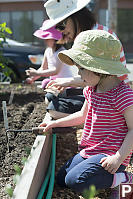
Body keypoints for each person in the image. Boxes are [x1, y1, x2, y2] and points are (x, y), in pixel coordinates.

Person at [39, 30, 133, 198]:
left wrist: (118, 158)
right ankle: (108, 178)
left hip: (110, 155)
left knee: (76, 181)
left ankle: (125, 178)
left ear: (98, 68)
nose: (79, 74)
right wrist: (54, 123)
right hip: (91, 150)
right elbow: (82, 116)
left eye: (82, 68)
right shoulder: (91, 89)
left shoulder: (122, 94)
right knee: (62, 179)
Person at [41, 0, 128, 119]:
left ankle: (106, 122)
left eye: (61, 24)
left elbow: (98, 76)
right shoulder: (88, 35)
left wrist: (69, 81)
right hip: (99, 90)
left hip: (111, 96)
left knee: (54, 108)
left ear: (76, 17)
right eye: (57, 27)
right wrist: (67, 82)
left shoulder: (96, 37)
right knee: (52, 98)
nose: (61, 31)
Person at [26, 20, 73, 89]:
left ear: (55, 39)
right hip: (55, 83)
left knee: (46, 83)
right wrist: (32, 78)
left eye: (48, 38)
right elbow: (43, 68)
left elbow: (55, 71)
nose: (45, 40)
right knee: (46, 84)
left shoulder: (62, 52)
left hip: (66, 83)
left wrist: (37, 73)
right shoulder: (48, 51)